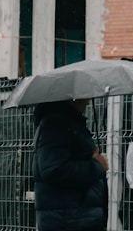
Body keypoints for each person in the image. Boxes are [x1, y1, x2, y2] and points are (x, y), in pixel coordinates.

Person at [33, 99, 109, 231]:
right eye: (84, 94)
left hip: (75, 218)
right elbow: (54, 169)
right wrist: (97, 165)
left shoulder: (69, 123)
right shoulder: (56, 125)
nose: (88, 100)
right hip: (69, 220)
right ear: (72, 97)